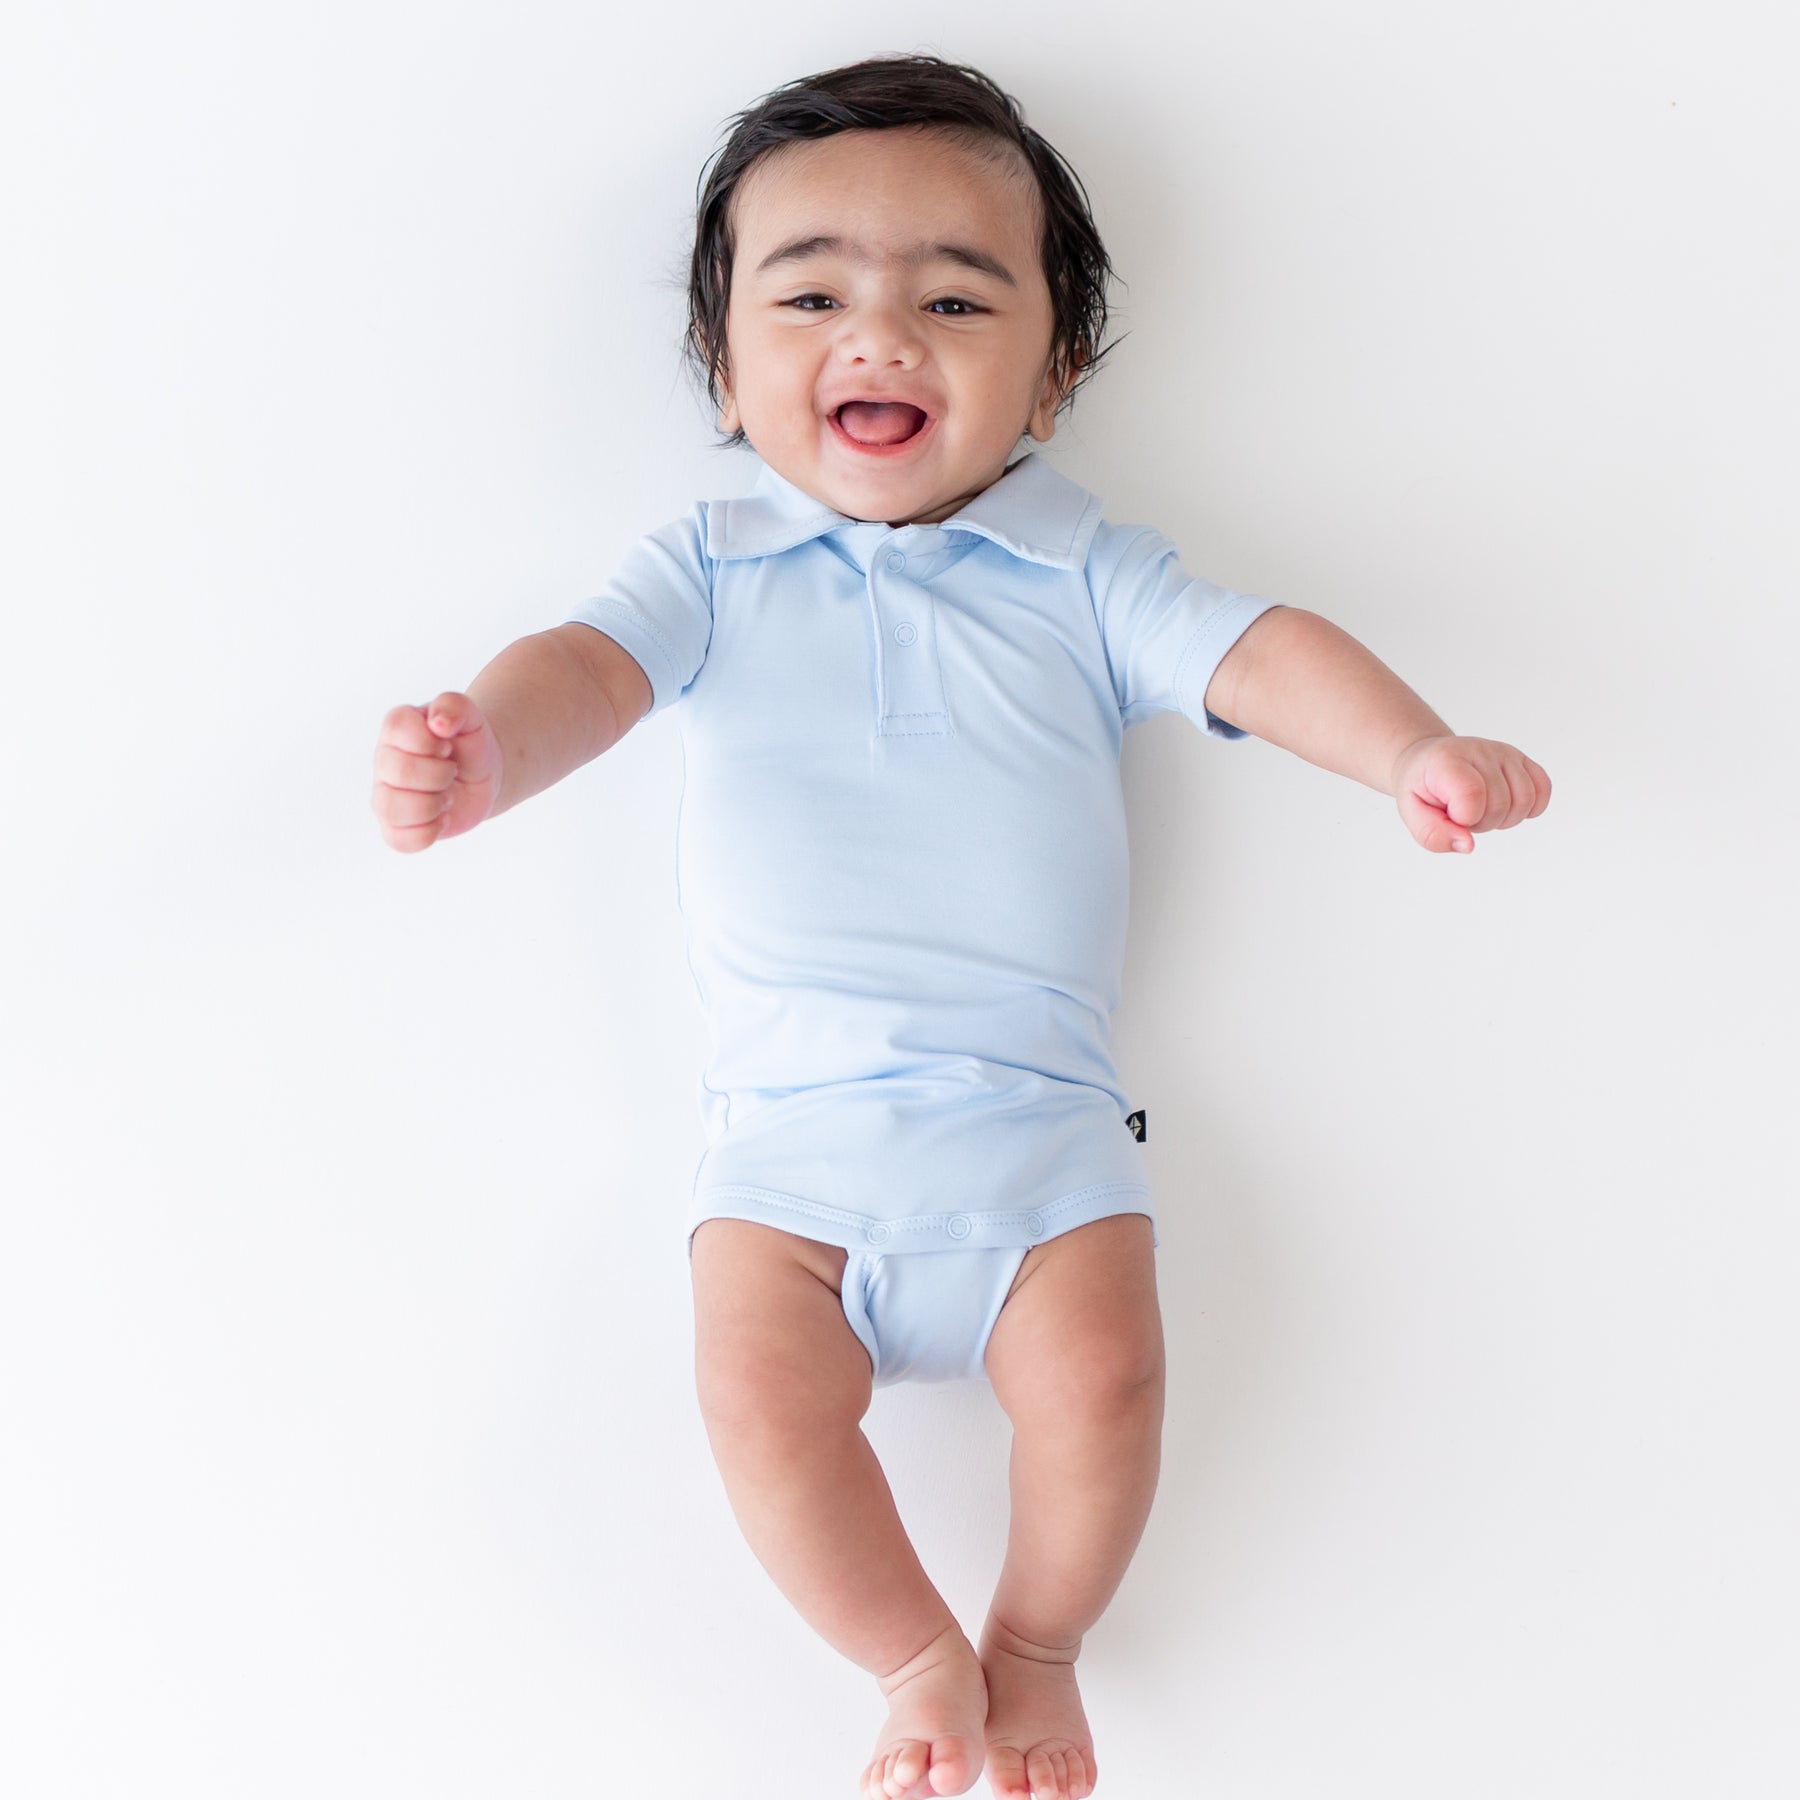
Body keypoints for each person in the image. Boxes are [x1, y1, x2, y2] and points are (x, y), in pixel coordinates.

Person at [370, 53, 1550, 1800]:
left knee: (1108, 1390)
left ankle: (1037, 1643)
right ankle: (912, 1652)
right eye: (814, 294)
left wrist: (1409, 747)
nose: (881, 336)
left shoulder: (1087, 575)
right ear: (724, 360)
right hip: (789, 1158)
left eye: (952, 296)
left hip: (1041, 1145)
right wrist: (483, 749)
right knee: (759, 1404)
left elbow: (1262, 646)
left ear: (1052, 371)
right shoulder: (706, 569)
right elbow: (581, 674)